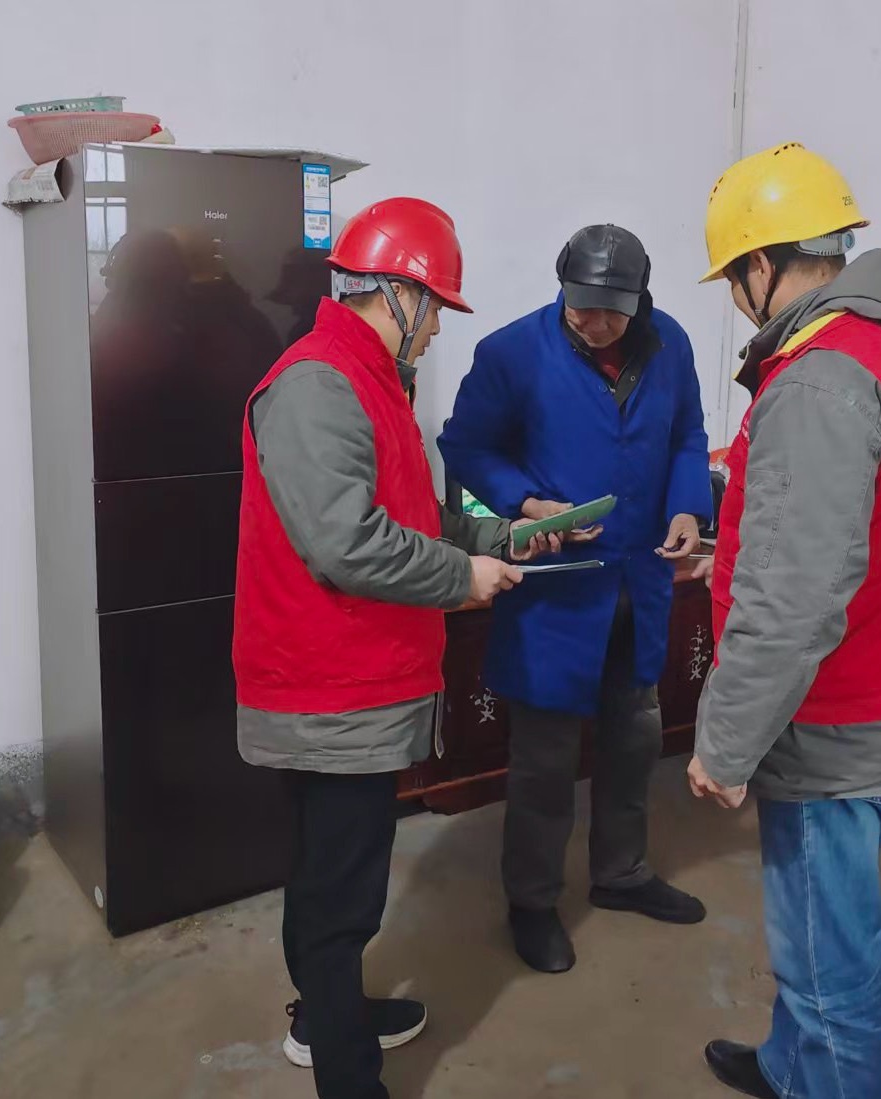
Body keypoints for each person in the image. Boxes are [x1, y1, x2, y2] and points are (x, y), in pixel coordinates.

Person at [232, 197, 559, 1099]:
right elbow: (345, 544)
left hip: (356, 681)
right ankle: (345, 1070)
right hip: (329, 687)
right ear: (400, 294)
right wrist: (462, 578)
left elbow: (408, 516)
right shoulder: (319, 383)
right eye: (435, 308)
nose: (437, 328)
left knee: (332, 874)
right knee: (339, 892)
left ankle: (328, 1011)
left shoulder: (371, 380)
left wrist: (503, 538)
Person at [685, 143, 881, 1099]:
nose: (739, 301)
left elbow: (794, 599)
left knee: (827, 971)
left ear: (759, 264)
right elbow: (866, 524)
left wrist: (725, 743)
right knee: (815, 932)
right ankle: (788, 1068)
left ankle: (821, 1066)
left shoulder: (819, 379)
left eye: (736, 280)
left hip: (831, 719)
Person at [438, 224, 714, 973]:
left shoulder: (671, 344)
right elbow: (465, 445)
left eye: (611, 311)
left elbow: (688, 433)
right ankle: (531, 901)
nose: (593, 322)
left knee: (633, 739)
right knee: (545, 759)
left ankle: (622, 873)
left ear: (640, 300)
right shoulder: (511, 353)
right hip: (556, 592)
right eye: (580, 306)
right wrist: (526, 503)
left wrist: (688, 507)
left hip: (641, 581)